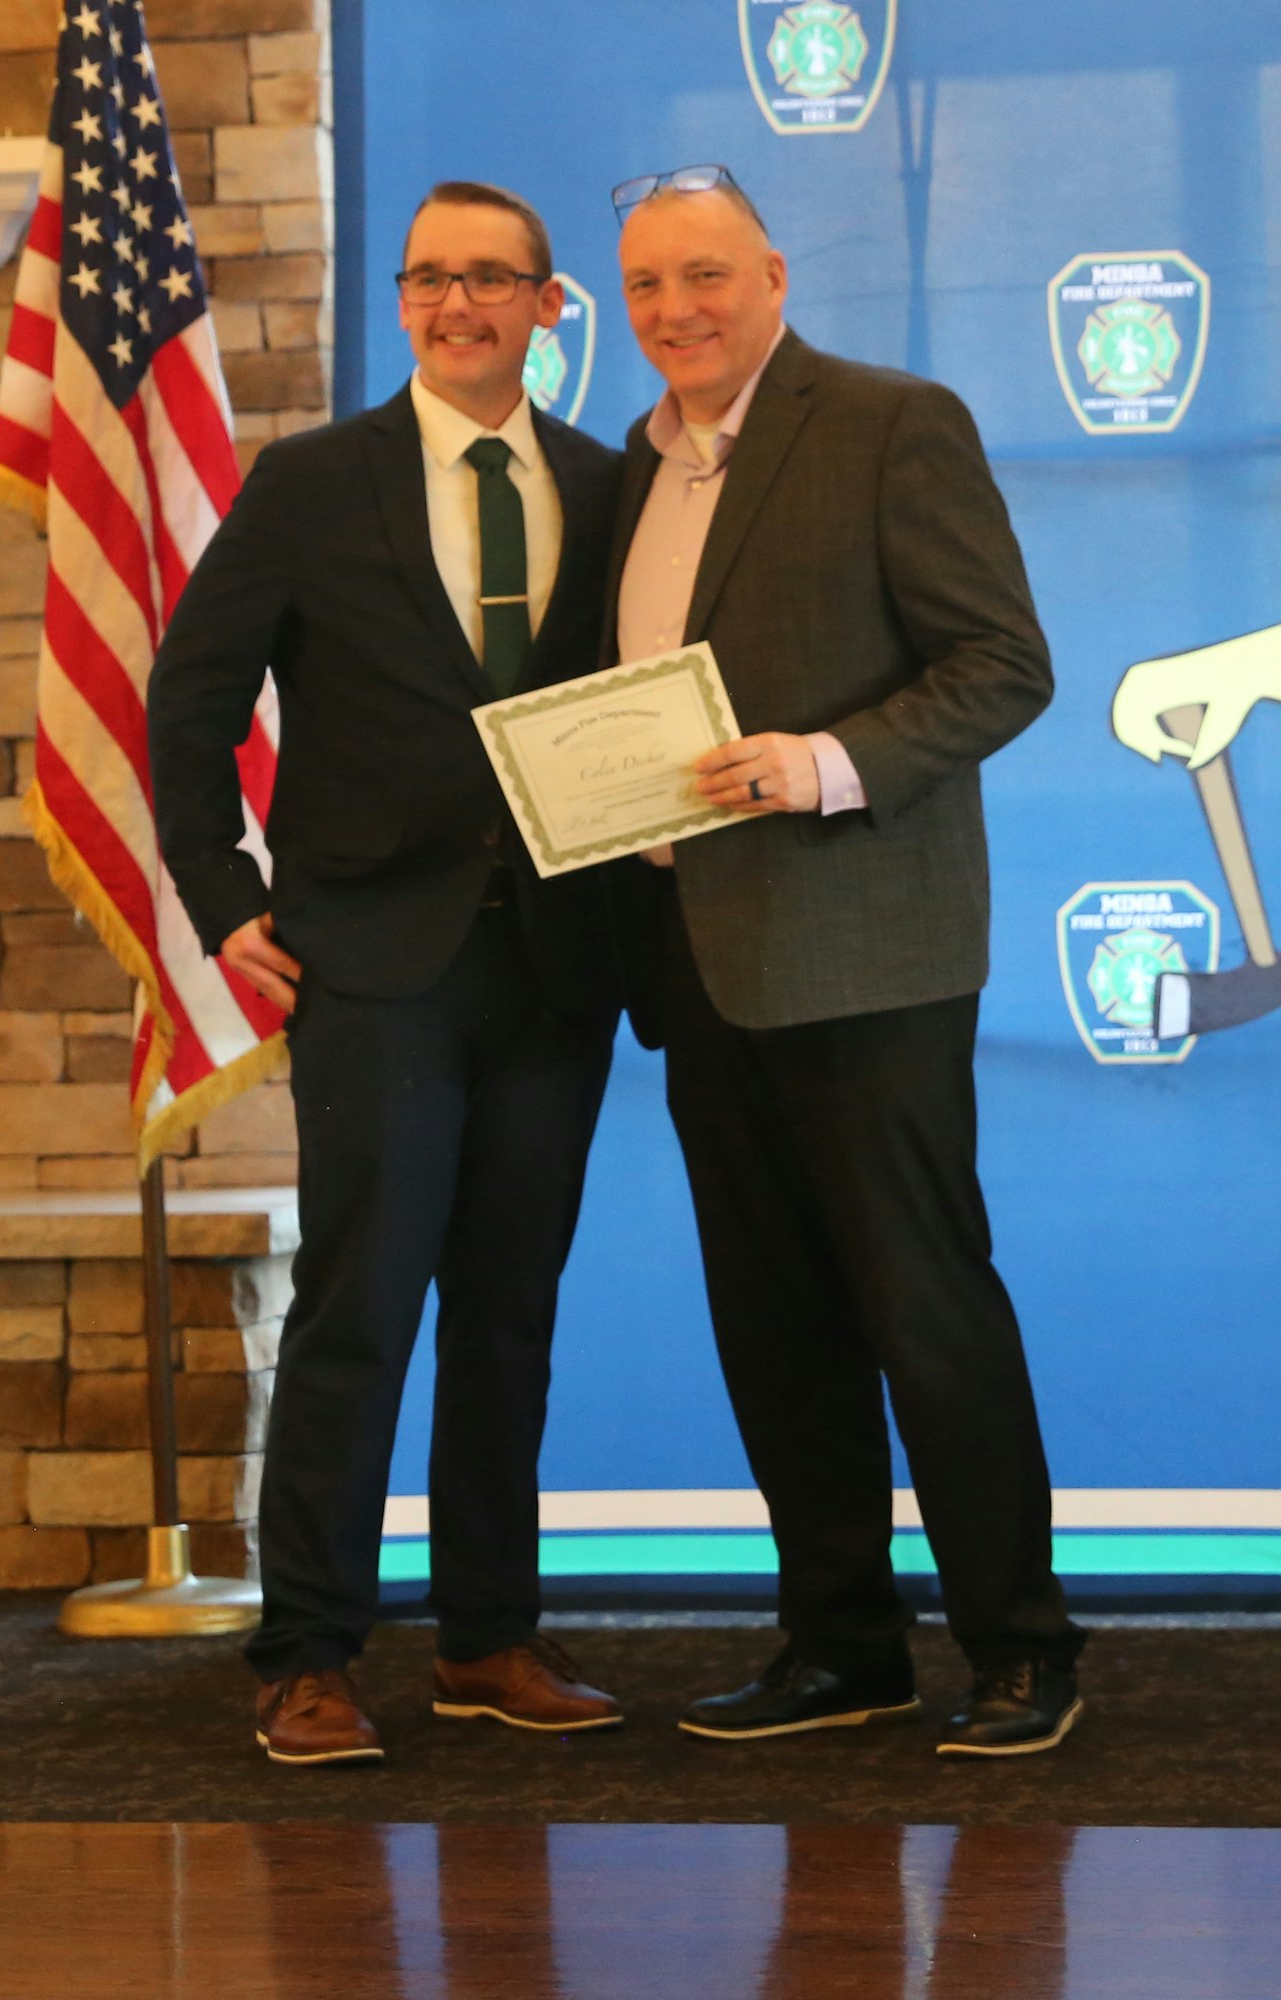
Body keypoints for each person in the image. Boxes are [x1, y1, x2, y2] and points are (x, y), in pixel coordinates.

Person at [607, 165, 1085, 1756]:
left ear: (773, 276)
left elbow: (1003, 667)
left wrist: (822, 761)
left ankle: (1019, 1651)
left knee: (923, 1306)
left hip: (869, 955)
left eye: (703, 276)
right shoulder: (636, 465)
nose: (675, 311)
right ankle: (840, 1645)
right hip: (695, 962)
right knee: (772, 1322)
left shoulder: (892, 421)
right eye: (647, 287)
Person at [148, 182, 624, 1765]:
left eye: (490, 279)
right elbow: (189, 700)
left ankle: (489, 1638)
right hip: (375, 967)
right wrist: (223, 897)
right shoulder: (311, 484)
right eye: (428, 276)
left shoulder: (607, 490)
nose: (452, 303)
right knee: (359, 1310)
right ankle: (307, 1656)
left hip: (555, 970)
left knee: (510, 1317)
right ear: (405, 300)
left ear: (547, 306)